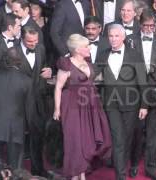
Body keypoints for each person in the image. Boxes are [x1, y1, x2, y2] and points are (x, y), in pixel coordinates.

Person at [53, 34, 111, 180]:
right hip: (72, 105)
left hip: (91, 105)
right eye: (86, 46)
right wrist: (57, 109)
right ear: (78, 49)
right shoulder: (66, 64)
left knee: (87, 140)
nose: (89, 48)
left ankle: (82, 174)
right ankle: (74, 175)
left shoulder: (88, 62)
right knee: (75, 140)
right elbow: (58, 87)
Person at [94, 24, 148, 180]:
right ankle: (121, 176)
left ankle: (124, 169)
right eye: (111, 36)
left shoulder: (135, 54)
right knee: (118, 139)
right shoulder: (103, 54)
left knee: (127, 139)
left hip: (132, 103)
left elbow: (143, 81)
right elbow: (92, 73)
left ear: (123, 37)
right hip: (111, 104)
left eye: (116, 36)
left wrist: (144, 105)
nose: (113, 39)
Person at [126, 10, 156, 180]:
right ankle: (132, 164)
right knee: (136, 131)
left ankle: (151, 167)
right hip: (135, 92)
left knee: (154, 132)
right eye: (145, 26)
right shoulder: (130, 40)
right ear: (140, 25)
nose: (148, 29)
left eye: (152, 26)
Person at [15, 25, 52, 176]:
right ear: (22, 38)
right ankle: (17, 172)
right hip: (19, 102)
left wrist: (49, 70)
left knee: (37, 136)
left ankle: (38, 169)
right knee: (19, 140)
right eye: (30, 41)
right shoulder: (13, 52)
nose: (33, 44)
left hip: (37, 101)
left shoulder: (41, 49)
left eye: (35, 40)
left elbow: (43, 67)